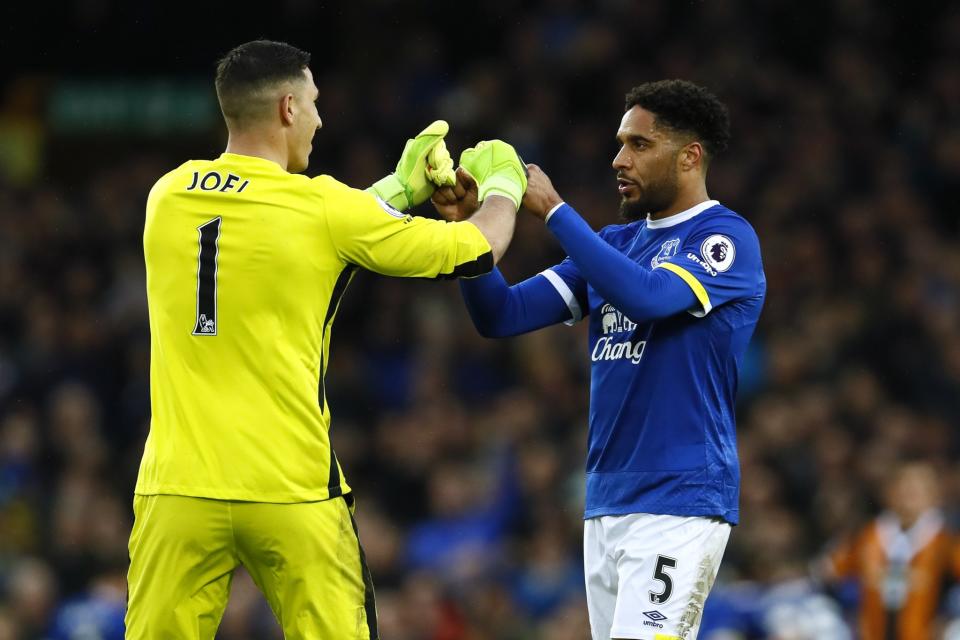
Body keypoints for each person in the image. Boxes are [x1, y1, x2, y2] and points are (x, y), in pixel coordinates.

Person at [125, 39, 527, 639]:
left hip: (177, 491)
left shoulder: (167, 196)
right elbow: (473, 251)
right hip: (291, 490)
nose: (320, 118)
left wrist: (396, 187)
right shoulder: (321, 207)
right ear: (288, 108)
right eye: (313, 103)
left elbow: (287, 233)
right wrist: (504, 188)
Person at [438, 79, 766, 639]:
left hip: (680, 501)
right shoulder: (614, 244)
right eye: (620, 144)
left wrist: (557, 212)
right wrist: (466, 230)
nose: (619, 159)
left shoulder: (724, 237)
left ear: (689, 156)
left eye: (639, 145)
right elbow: (502, 315)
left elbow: (652, 298)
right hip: (607, 502)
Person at [821, 461, 960, 639]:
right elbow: (831, 570)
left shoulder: (946, 540)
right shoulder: (869, 535)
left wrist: (948, 618)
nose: (909, 494)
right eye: (904, 487)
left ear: (934, 495)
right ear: (889, 493)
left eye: (918, 489)